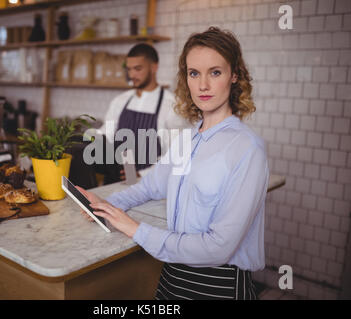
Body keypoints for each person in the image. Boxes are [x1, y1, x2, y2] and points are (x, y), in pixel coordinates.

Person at [77, 27, 269, 300]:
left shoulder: (247, 149)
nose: (203, 85)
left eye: (215, 72)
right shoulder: (187, 139)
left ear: (234, 75)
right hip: (172, 276)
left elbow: (218, 248)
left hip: (219, 284)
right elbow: (150, 186)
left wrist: (133, 228)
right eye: (194, 73)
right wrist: (109, 204)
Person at [95, 43, 190, 184]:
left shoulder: (172, 105)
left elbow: (176, 155)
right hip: (113, 182)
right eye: (129, 69)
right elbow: (106, 134)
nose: (132, 75)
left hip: (148, 184)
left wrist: (142, 174)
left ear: (154, 67)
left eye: (138, 69)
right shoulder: (120, 101)